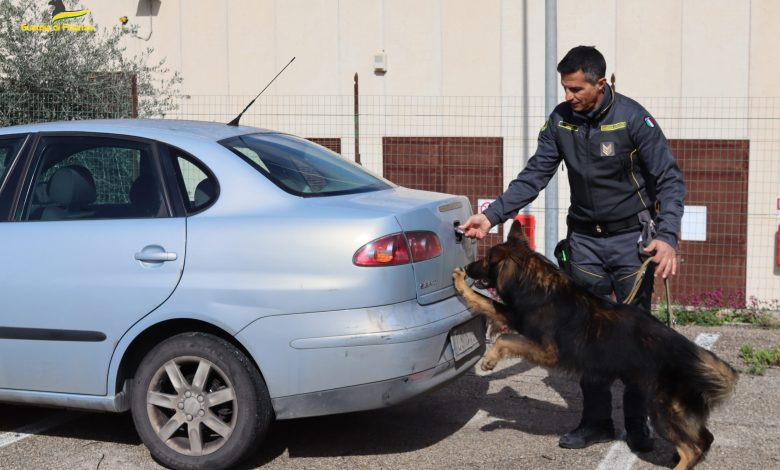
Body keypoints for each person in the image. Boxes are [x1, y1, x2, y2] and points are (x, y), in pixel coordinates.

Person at [460, 45, 686, 453]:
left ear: (600, 83)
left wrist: (667, 236)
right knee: (585, 335)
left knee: (634, 335)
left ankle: (637, 424)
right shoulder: (561, 121)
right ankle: (596, 421)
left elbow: (669, 179)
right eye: (565, 88)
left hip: (631, 244)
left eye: (576, 89)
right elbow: (535, 174)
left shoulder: (634, 119)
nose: (569, 96)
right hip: (584, 243)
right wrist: (492, 216)